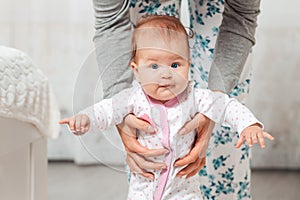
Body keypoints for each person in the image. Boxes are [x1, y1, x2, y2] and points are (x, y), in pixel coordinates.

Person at [60, 15, 273, 200]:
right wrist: (84, 119)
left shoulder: (195, 97)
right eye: (154, 66)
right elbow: (104, 111)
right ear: (136, 70)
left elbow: (226, 107)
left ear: (188, 65)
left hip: (184, 189)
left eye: (175, 65)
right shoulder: (132, 98)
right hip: (143, 189)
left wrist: (249, 124)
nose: (165, 74)